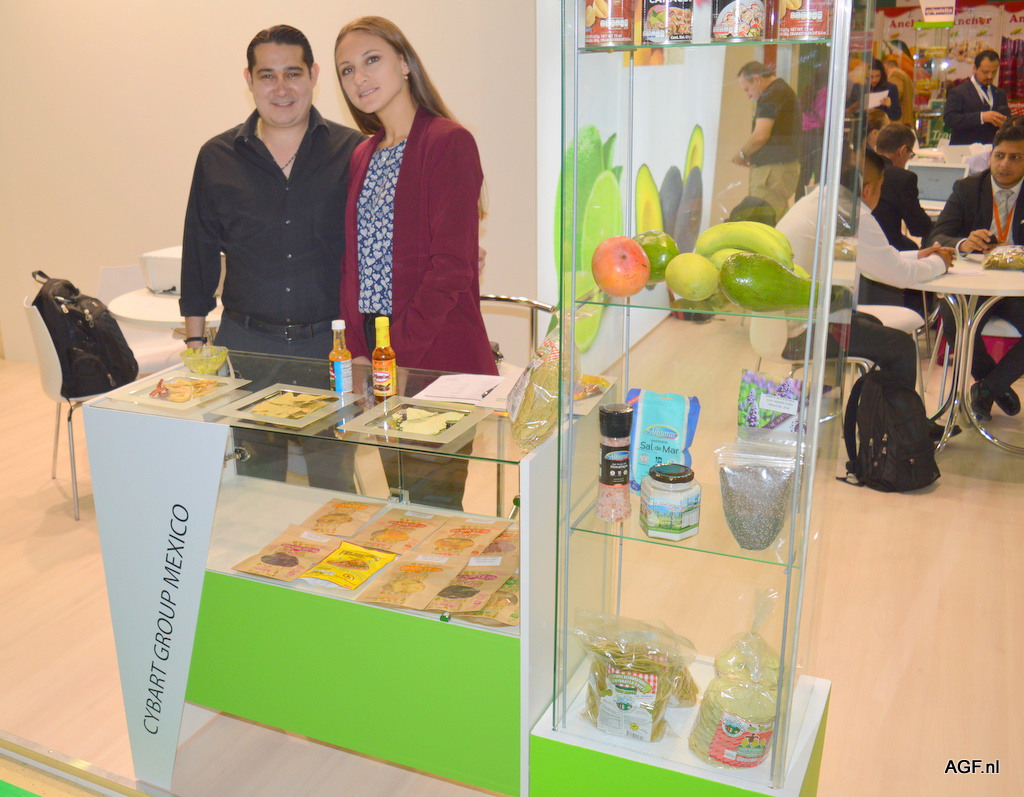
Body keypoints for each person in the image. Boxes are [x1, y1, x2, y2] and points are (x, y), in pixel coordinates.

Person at [179, 25, 365, 489]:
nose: (281, 88)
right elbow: (199, 248)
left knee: (334, 486)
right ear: (249, 80)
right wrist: (196, 342)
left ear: (313, 75)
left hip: (330, 348)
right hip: (248, 348)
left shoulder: (353, 151)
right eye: (267, 75)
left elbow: (378, 246)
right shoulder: (217, 156)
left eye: (292, 73)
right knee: (256, 484)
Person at [335, 16, 496, 377]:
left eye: (371, 60)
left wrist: (397, 352)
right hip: (371, 347)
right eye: (347, 70)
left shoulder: (448, 142)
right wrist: (357, 351)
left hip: (433, 348)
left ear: (404, 63)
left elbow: (451, 268)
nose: (359, 78)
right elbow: (353, 264)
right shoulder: (362, 155)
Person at [776, 148, 954, 410]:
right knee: (902, 347)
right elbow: (899, 275)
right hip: (807, 331)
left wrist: (918, 256)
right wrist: (941, 262)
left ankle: (875, 416)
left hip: (783, 324)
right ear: (869, 189)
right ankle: (897, 427)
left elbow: (874, 259)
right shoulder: (852, 214)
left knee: (871, 324)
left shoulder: (819, 200)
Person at [927, 120, 1024, 420]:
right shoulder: (968, 188)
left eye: (1015, 157)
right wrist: (963, 244)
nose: (1005, 164)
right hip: (972, 284)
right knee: (953, 320)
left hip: (1018, 288)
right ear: (991, 156)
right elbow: (936, 237)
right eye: (999, 155)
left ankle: (985, 390)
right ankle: (993, 386)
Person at [732, 61, 801, 221]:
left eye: (747, 89)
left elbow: (760, 136)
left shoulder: (771, 96)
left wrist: (742, 154)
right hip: (780, 170)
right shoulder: (781, 91)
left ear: (757, 79)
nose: (748, 95)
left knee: (762, 222)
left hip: (772, 173)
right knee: (776, 219)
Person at [943, 50, 1010, 145]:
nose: (990, 76)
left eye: (994, 72)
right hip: (964, 149)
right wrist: (981, 117)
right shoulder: (958, 92)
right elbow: (949, 120)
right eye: (985, 72)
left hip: (992, 148)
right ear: (974, 68)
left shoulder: (1000, 93)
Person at [883, 55, 915, 127]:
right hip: (904, 121)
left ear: (885, 68)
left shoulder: (896, 75)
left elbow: (894, 95)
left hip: (897, 123)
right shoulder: (904, 75)